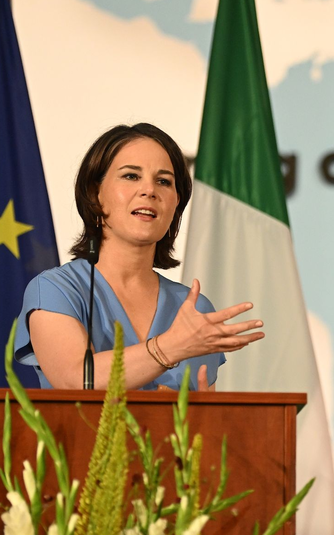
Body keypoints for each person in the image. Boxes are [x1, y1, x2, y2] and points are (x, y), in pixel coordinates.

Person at [13, 123, 264, 391]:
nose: (149, 190)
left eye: (164, 181)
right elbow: (77, 380)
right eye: (131, 176)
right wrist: (170, 347)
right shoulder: (56, 290)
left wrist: (205, 419)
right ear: (95, 194)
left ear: (176, 203)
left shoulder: (195, 309)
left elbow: (204, 421)